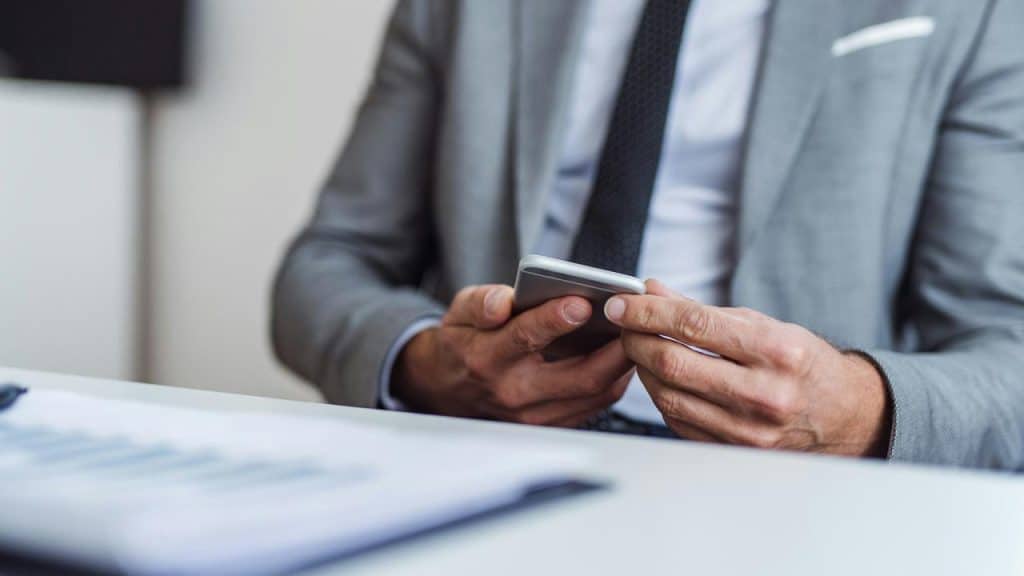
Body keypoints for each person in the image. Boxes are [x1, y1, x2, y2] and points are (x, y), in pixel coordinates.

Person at [272, 0, 1024, 470]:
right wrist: (430, 364)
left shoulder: (977, 10)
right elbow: (324, 266)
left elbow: (1007, 346)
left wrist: (860, 411)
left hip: (791, 500)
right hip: (484, 458)